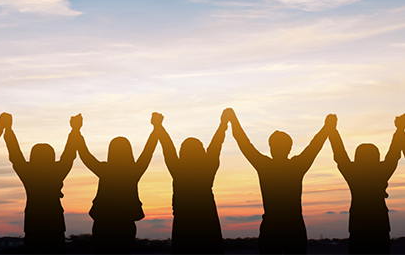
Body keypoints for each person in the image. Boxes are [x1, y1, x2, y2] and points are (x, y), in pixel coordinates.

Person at [228, 108, 334, 255]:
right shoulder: (297, 165)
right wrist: (327, 127)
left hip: (272, 227)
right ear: (289, 147)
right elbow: (315, 145)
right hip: (294, 227)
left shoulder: (264, 165)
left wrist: (233, 120)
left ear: (271, 147)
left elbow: (243, 142)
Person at [76, 113, 159, 255]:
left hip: (103, 222)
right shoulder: (134, 171)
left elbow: (85, 155)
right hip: (125, 223)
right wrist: (156, 128)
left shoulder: (105, 169)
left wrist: (76, 131)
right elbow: (148, 151)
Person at [3, 113, 81, 255]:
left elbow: (14, 153)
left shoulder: (28, 173)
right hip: (54, 224)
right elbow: (69, 154)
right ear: (52, 157)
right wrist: (75, 130)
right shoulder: (57, 171)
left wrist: (8, 130)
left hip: (34, 224)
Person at [328, 114, 405, 255]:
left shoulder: (353, 173)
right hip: (380, 226)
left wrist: (332, 130)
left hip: (358, 226)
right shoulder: (382, 171)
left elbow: (339, 154)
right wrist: (399, 130)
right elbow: (394, 153)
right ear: (376, 157)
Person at [154, 110, 229, 255]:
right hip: (207, 222)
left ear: (182, 153)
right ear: (202, 153)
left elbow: (167, 147)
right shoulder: (207, 168)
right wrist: (223, 124)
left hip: (184, 224)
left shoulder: (178, 170)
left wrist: (158, 126)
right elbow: (216, 145)